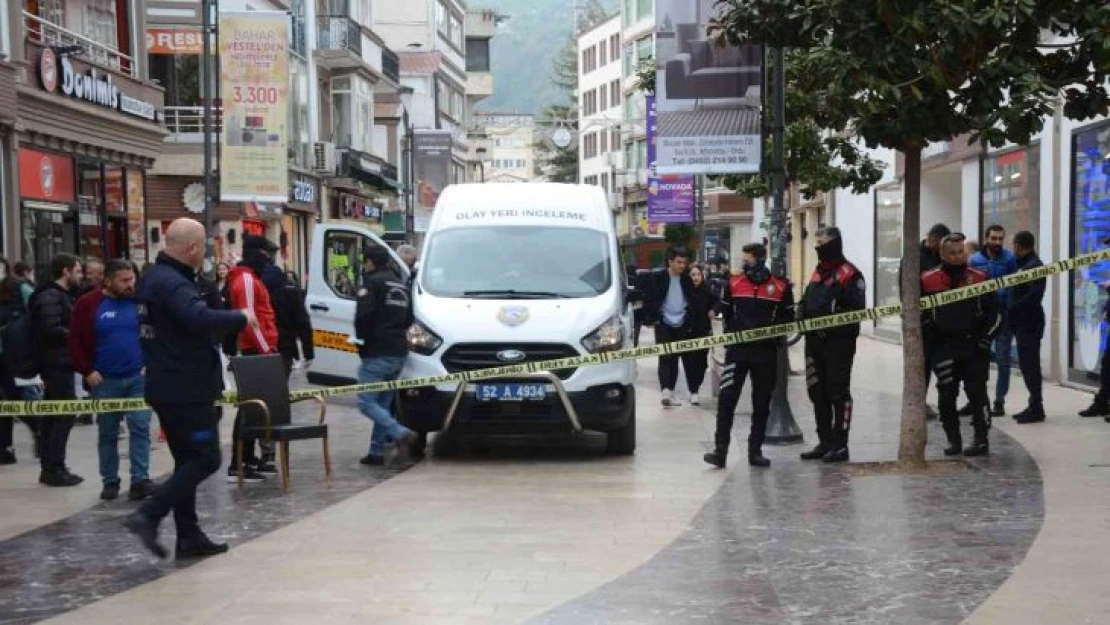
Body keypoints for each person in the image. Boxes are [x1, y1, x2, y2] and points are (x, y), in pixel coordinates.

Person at [124, 218, 253, 560]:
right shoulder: (174, 283)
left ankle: (189, 534)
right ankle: (149, 513)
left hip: (167, 383)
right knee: (206, 457)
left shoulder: (153, 277)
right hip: (186, 387)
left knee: (186, 462)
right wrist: (241, 317)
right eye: (204, 247)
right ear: (193, 248)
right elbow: (198, 319)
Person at [69, 259, 156, 501]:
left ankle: (140, 479)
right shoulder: (88, 304)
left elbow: (153, 332)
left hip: (138, 377)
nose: (130, 284)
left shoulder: (140, 303)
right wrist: (87, 371)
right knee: (107, 432)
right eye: (124, 280)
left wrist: (150, 363)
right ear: (108, 281)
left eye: (132, 279)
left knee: (140, 427)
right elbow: (75, 340)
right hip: (105, 380)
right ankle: (110, 480)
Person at [704, 243, 793, 469]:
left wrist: (774, 330)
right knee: (727, 400)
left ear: (760, 259)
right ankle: (720, 451)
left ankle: (755, 451)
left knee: (761, 403)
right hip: (737, 351)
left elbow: (788, 318)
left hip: (766, 352)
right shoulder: (733, 283)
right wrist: (712, 311)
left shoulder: (781, 286)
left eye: (748, 259)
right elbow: (722, 307)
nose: (744, 264)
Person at [922, 233, 999, 457]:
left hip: (974, 347)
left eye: (960, 252)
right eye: (952, 253)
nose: (957, 257)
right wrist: (932, 345)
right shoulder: (928, 279)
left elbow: (995, 313)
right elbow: (920, 315)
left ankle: (981, 440)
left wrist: (986, 339)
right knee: (946, 396)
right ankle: (953, 440)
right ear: (942, 254)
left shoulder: (980, 277)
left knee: (977, 395)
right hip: (944, 348)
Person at [798, 227, 867, 463]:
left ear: (835, 242)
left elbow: (854, 311)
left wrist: (830, 326)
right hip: (814, 341)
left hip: (838, 344)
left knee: (838, 393)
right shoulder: (819, 272)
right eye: (816, 242)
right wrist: (801, 311)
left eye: (823, 242)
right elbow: (809, 298)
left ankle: (840, 444)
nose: (819, 246)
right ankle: (824, 441)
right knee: (817, 392)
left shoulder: (851, 274)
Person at [226, 235, 281, 483]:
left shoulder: (250, 278)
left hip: (259, 348)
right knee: (249, 408)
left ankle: (245, 460)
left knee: (253, 408)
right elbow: (250, 319)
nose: (269, 260)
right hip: (256, 351)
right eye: (266, 254)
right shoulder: (247, 279)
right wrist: (265, 350)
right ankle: (239, 463)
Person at [355, 245, 417, 466]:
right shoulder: (400, 284)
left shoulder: (371, 283)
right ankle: (376, 451)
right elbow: (409, 318)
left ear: (370, 262)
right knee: (382, 403)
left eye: (365, 261)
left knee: (365, 401)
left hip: (377, 350)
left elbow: (364, 317)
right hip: (398, 351)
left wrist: (361, 343)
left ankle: (399, 432)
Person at [28, 253, 83, 486]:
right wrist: (77, 337)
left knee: (56, 414)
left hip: (59, 362)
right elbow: (51, 329)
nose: (80, 276)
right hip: (55, 363)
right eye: (78, 271)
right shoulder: (51, 296)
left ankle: (51, 465)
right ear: (66, 271)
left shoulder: (58, 295)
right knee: (63, 414)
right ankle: (54, 467)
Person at [965, 224, 1019, 417]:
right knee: (980, 359)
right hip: (982, 317)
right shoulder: (975, 260)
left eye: (1000, 239)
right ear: (986, 238)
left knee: (1003, 360)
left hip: (1004, 315)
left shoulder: (1010, 259)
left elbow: (1016, 284)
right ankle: (978, 400)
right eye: (993, 238)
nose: (997, 242)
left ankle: (999, 401)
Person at [641, 247, 694, 407]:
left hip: (682, 322)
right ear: (670, 262)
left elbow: (693, 298)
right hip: (664, 322)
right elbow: (649, 298)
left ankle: (670, 391)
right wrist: (654, 318)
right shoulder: (659, 277)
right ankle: (665, 391)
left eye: (684, 262)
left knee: (675, 358)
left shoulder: (686, 279)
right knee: (664, 357)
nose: (682, 265)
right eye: (678, 262)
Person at [1008, 231, 1047, 424]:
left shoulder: (1034, 266)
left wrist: (1011, 309)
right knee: (1026, 366)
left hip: (1029, 323)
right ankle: (1034, 404)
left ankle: (1037, 408)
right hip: (1023, 322)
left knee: (1030, 366)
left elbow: (1033, 297)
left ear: (1017, 245)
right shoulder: (1024, 265)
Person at [0, 270, 36, 464]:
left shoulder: (19, 288)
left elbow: (36, 314)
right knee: (2, 402)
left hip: (9, 353)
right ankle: (5, 447)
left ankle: (37, 428)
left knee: (14, 398)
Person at [682, 264, 718, 405]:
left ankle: (694, 386)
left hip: (703, 332)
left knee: (702, 364)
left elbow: (717, 302)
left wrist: (713, 310)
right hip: (687, 332)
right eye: (693, 275)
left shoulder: (707, 291)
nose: (696, 278)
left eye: (698, 275)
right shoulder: (685, 291)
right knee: (689, 363)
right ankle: (693, 391)